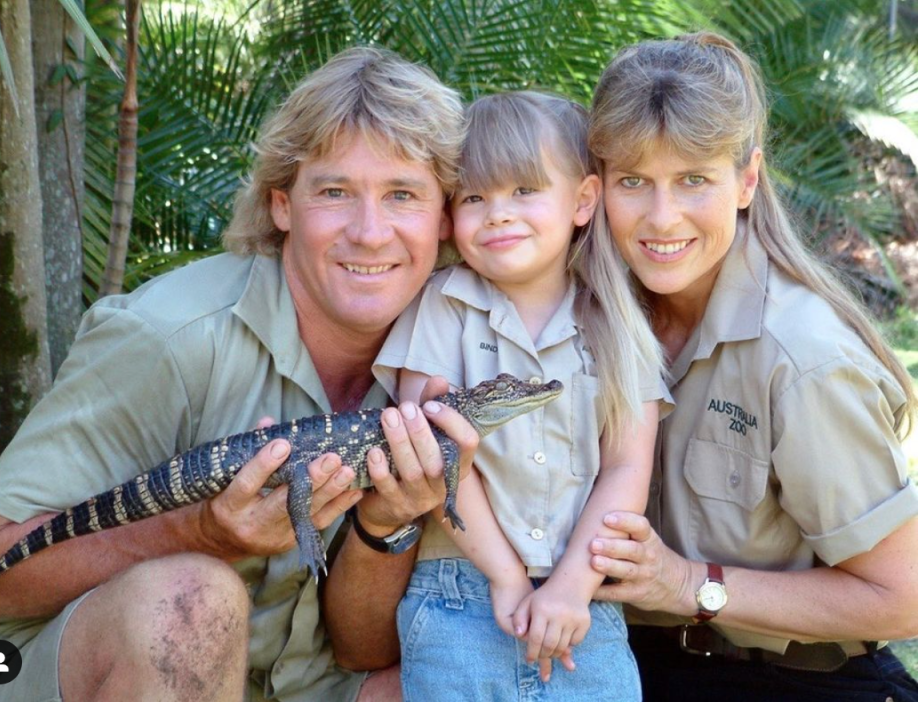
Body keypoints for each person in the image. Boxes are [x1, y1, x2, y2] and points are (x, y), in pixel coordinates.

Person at [0, 46, 479, 702]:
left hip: (288, 685)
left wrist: (388, 524)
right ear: (283, 205)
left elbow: (362, 652)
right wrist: (198, 532)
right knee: (191, 601)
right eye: (335, 192)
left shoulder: (444, 363)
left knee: (462, 669)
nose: (370, 232)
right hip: (46, 666)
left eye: (402, 194)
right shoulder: (168, 338)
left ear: (444, 215)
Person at [583, 31, 918, 701]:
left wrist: (685, 584)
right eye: (633, 181)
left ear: (747, 181)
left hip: (793, 682)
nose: (661, 216)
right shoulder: (589, 320)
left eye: (693, 180)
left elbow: (902, 597)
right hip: (634, 668)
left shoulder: (803, 357)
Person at [373, 91, 667, 701]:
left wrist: (572, 587)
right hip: (456, 596)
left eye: (524, 191)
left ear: (583, 201)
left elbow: (626, 466)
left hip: (584, 602)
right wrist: (506, 577)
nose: (498, 214)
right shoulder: (443, 306)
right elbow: (433, 457)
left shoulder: (615, 321)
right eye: (475, 198)